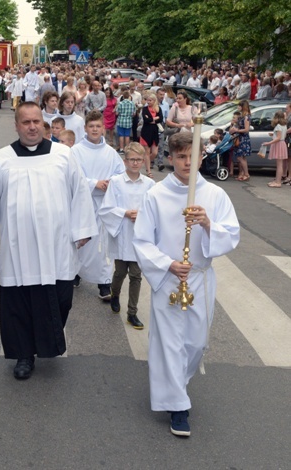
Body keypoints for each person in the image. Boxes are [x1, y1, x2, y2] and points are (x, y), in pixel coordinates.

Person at [0, 101, 97, 380]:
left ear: (43, 123)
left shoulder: (63, 155)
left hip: (58, 243)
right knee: (19, 301)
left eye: (36, 122)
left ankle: (48, 343)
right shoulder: (2, 158)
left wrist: (83, 229)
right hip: (19, 245)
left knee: (61, 298)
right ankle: (24, 355)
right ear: (16, 125)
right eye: (25, 122)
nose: (32, 127)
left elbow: (79, 192)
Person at [133, 132, 240, 437]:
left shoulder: (216, 196)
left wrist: (208, 225)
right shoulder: (155, 195)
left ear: (201, 158)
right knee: (169, 344)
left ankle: (178, 382)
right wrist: (167, 263)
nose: (186, 163)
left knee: (195, 342)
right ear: (170, 158)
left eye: (192, 157)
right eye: (180, 157)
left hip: (200, 278)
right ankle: (178, 405)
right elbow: (141, 239)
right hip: (168, 277)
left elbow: (231, 234)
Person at [98, 143, 154, 329]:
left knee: (136, 275)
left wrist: (143, 215)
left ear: (143, 160)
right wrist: (125, 213)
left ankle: (132, 312)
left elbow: (154, 209)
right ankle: (115, 294)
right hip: (122, 234)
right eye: (132, 159)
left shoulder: (149, 184)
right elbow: (106, 208)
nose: (135, 163)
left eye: (139, 159)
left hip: (140, 236)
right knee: (120, 272)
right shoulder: (116, 182)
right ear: (125, 161)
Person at [71, 110, 125, 299]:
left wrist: (111, 183)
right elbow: (72, 177)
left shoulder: (110, 153)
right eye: (91, 126)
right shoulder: (76, 151)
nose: (94, 129)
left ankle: (104, 281)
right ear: (85, 128)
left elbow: (121, 174)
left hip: (104, 204)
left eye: (98, 126)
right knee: (83, 241)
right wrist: (95, 183)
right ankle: (76, 273)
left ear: (103, 128)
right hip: (84, 203)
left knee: (103, 245)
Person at [261, 111, 288, 187]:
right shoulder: (284, 125)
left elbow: (278, 138)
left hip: (279, 144)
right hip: (282, 144)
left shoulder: (278, 126)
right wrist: (273, 134)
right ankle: (277, 180)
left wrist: (269, 143)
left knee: (279, 164)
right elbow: (282, 136)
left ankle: (278, 182)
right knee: (280, 164)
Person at [140, 92, 163, 177]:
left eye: (150, 100)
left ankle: (146, 161)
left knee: (154, 153)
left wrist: (151, 119)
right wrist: (154, 119)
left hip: (154, 132)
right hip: (146, 132)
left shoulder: (158, 109)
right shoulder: (145, 109)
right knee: (147, 151)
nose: (148, 102)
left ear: (154, 100)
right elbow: (146, 120)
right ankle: (148, 170)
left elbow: (161, 118)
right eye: (147, 100)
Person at [229, 101, 251, 181]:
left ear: (243, 107)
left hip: (243, 138)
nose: (238, 108)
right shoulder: (243, 116)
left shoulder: (246, 117)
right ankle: (244, 173)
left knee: (240, 157)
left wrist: (237, 130)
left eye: (239, 106)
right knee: (242, 157)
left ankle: (246, 173)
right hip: (240, 138)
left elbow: (246, 129)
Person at [115, 87, 136, 152]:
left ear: (123, 96)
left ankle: (121, 148)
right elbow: (134, 114)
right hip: (129, 121)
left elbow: (117, 113)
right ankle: (127, 148)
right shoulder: (132, 103)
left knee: (121, 135)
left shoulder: (120, 104)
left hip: (121, 120)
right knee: (127, 135)